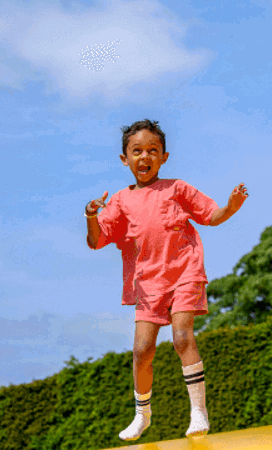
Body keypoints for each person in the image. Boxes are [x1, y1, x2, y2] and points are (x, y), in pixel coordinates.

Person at [84, 119, 249, 441]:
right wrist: (91, 215)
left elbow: (211, 216)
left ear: (164, 157)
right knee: (142, 349)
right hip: (148, 284)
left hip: (185, 272)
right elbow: (96, 240)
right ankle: (142, 414)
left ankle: (198, 411)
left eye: (152, 150)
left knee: (182, 337)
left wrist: (231, 207)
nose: (144, 156)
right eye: (137, 151)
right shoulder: (120, 201)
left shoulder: (177, 189)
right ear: (125, 159)